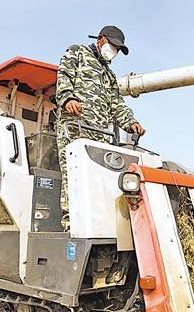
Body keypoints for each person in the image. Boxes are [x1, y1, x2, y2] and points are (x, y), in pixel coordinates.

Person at [54, 25, 146, 231]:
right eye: (112, 46)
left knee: (101, 181)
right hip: (75, 127)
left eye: (118, 49)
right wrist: (68, 97)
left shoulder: (110, 75)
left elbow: (117, 104)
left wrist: (131, 122)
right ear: (101, 40)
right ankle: (72, 226)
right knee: (73, 176)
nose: (114, 51)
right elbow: (64, 77)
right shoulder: (77, 52)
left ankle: (100, 225)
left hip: (102, 135)